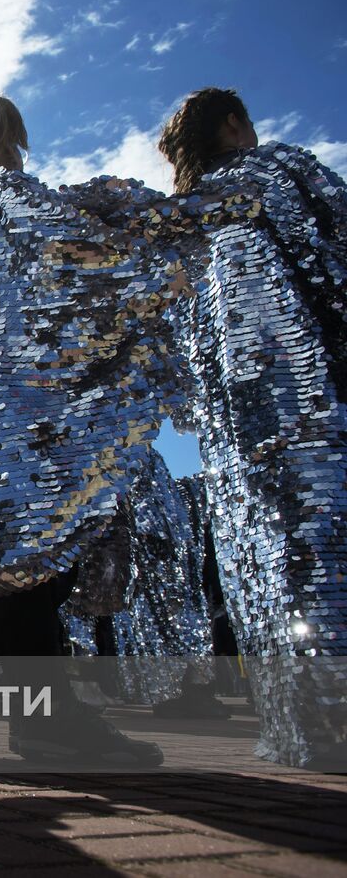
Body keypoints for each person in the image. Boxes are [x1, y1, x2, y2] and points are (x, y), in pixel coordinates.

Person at [0, 96, 248, 766]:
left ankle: (39, 717)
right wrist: (157, 252)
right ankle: (48, 724)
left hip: (0, 411)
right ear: (6, 139)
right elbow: (77, 251)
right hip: (25, 413)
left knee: (38, 558)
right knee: (41, 558)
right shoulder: (2, 193)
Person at [158, 87, 346, 768]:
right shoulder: (279, 173)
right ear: (234, 126)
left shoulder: (185, 224)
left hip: (238, 437)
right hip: (320, 401)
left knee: (276, 564)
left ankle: (309, 724)